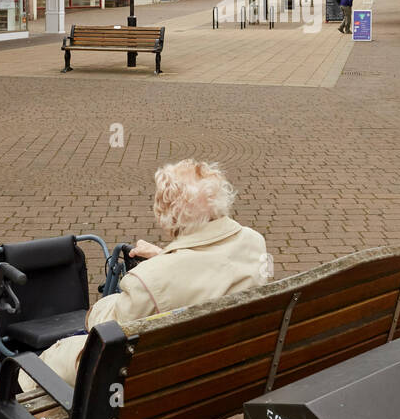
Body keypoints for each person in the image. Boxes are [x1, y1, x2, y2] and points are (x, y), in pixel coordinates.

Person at [21, 159, 268, 389]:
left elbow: (107, 328)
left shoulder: (148, 280)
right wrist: (165, 257)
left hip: (152, 386)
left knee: (42, 364)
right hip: (222, 374)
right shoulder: (254, 243)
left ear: (166, 216)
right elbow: (207, 272)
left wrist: (95, 310)